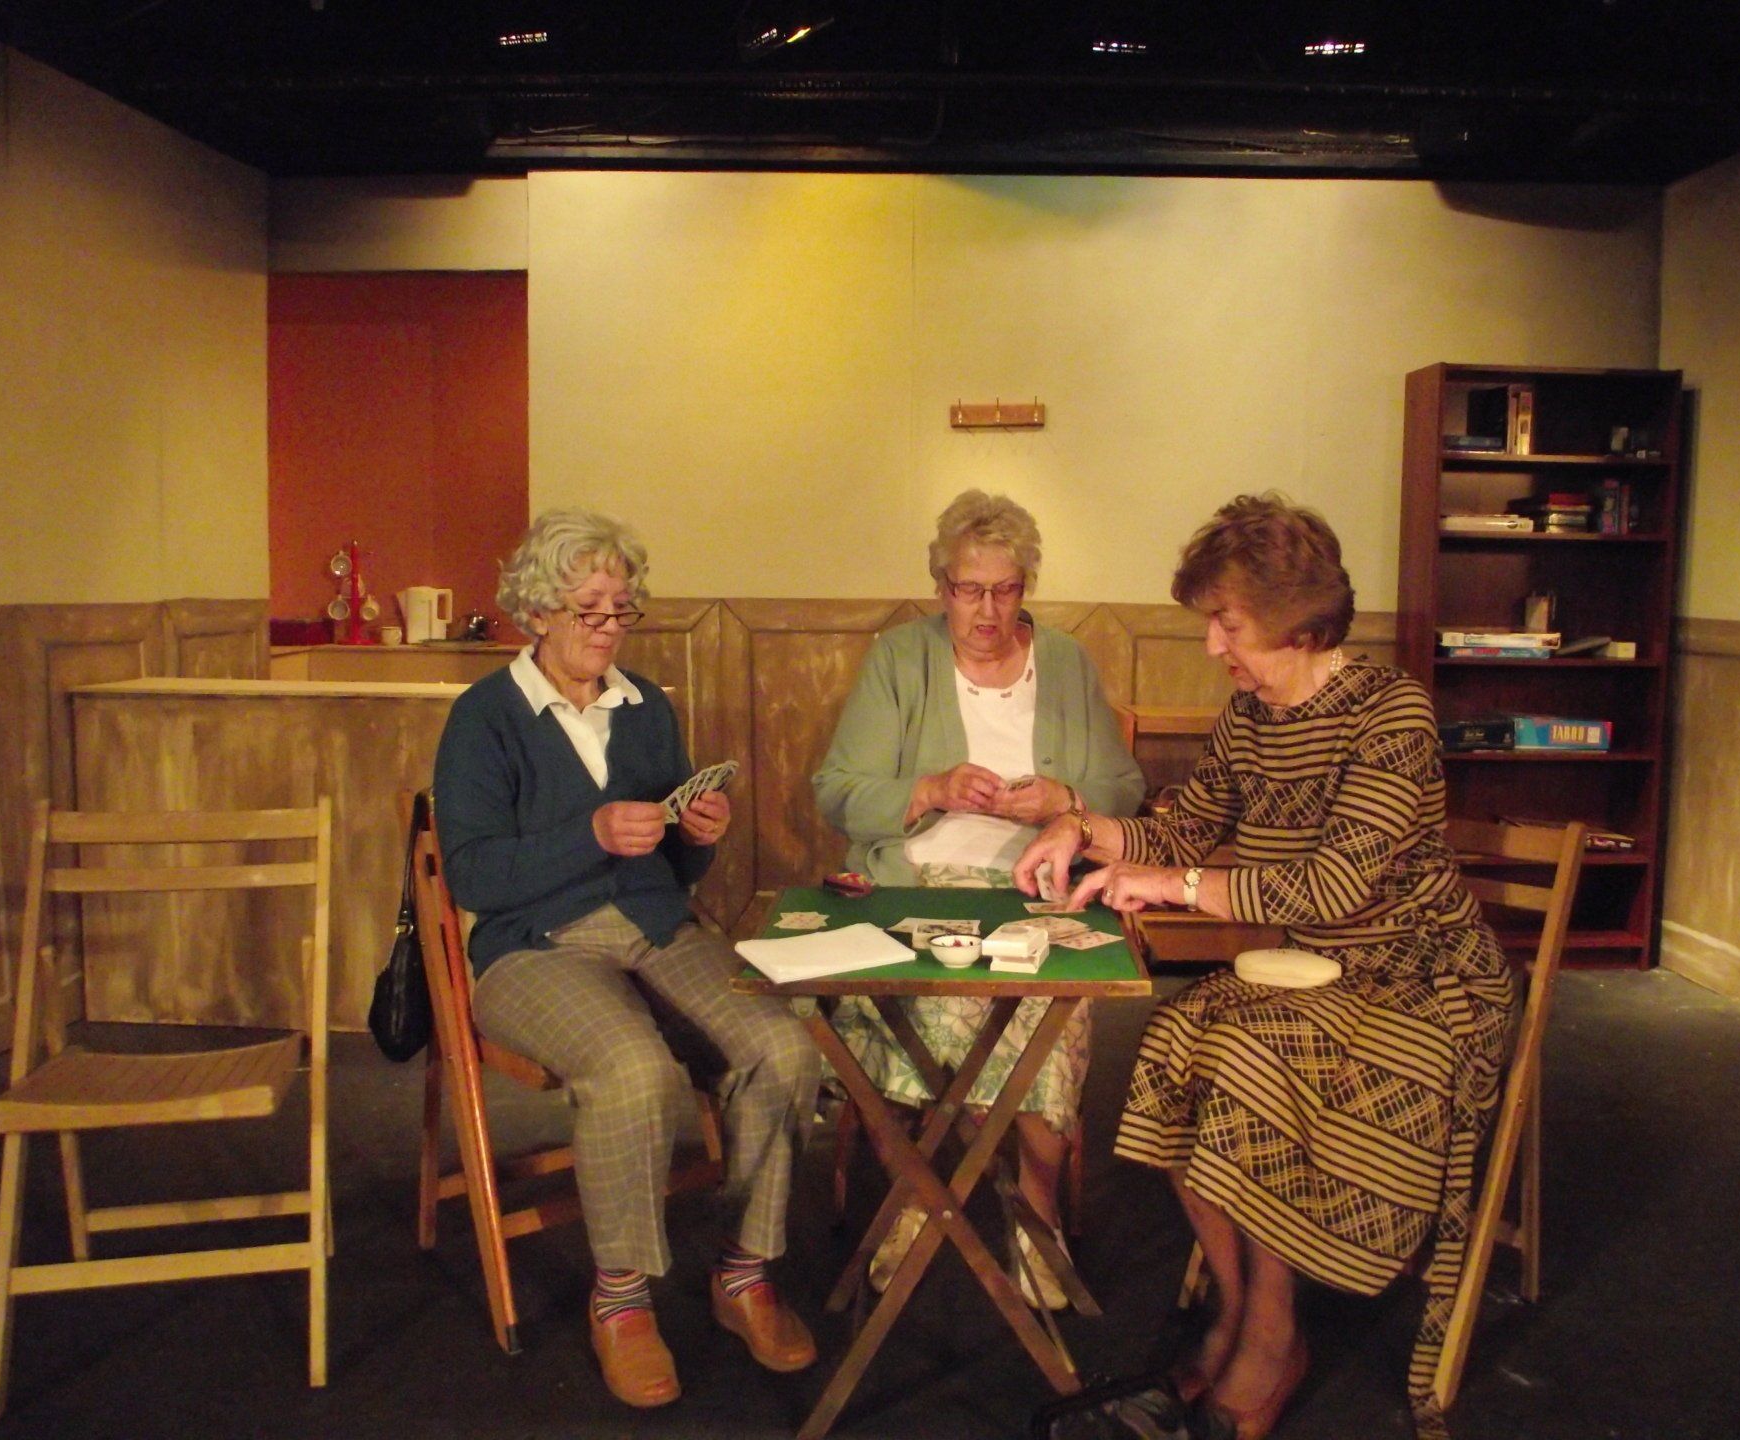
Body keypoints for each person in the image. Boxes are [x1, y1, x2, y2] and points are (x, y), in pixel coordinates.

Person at [1014, 493, 1516, 1438]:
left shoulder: (1391, 712)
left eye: (1228, 623)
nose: (1213, 646)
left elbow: (1332, 886)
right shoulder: (1250, 714)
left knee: (1249, 1060)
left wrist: (1173, 886)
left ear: (1297, 623)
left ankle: (1269, 1333)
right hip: (1314, 976)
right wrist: (1080, 827)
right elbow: (1183, 828)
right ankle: (1246, 1312)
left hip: (1424, 982)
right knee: (1177, 1037)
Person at [433, 509, 819, 1410]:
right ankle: (622, 1300)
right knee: (633, 1067)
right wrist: (593, 833)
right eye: (589, 610)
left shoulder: (645, 706)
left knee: (785, 1046)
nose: (609, 627)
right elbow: (476, 875)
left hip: (654, 929)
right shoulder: (484, 718)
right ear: (537, 612)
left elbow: (673, 872)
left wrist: (696, 836)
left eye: (621, 609)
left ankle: (744, 1273)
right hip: (533, 947)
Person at [812, 489, 1145, 1308]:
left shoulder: (1065, 662)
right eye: (969, 590)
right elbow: (836, 791)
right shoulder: (900, 659)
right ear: (942, 588)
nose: (988, 611)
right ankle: (918, 1201)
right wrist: (928, 789)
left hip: (1036, 891)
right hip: (914, 886)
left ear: (1026, 587)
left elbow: (1124, 790)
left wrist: (1065, 800)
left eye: (1005, 590)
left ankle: (1034, 1219)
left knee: (1045, 1019)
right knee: (899, 1008)